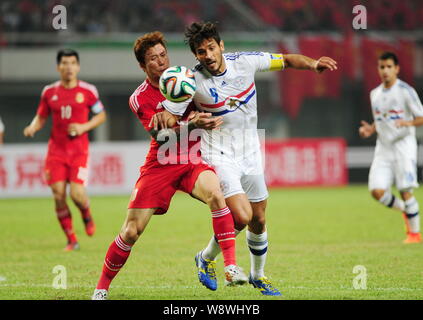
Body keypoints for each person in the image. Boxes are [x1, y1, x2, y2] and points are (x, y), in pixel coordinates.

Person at [153, 21, 337, 296]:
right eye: (202, 52)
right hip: (220, 154)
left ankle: (258, 276)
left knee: (259, 220)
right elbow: (167, 117)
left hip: (251, 150)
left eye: (212, 48)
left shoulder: (246, 62)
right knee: (240, 216)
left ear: (221, 46)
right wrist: (175, 118)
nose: (209, 56)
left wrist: (312, 65)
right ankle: (205, 257)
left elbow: (286, 60)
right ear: (196, 56)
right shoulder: (191, 81)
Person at [91, 31, 246, 300]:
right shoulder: (139, 98)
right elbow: (160, 137)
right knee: (130, 231)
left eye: (163, 55)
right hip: (161, 163)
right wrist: (193, 123)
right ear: (142, 65)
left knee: (216, 194)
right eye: (153, 58)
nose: (161, 62)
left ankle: (230, 266)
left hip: (193, 159)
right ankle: (101, 289)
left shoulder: (187, 77)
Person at [23, 49, 106, 251]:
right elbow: (41, 116)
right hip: (56, 151)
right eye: (64, 63)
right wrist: (33, 126)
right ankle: (71, 240)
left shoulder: (88, 91)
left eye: (72, 63)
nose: (68, 67)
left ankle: (86, 213)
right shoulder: (49, 92)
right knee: (58, 194)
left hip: (79, 152)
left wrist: (82, 127)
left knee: (77, 195)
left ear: (77, 66)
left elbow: (101, 116)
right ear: (58, 67)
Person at [359, 52, 423, 244]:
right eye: (382, 67)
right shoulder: (375, 94)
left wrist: (407, 123)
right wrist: (370, 129)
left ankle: (414, 234)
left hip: (404, 145)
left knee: (405, 188)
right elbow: (382, 120)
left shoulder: (406, 91)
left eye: (389, 67)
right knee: (376, 191)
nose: (385, 71)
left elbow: (421, 116)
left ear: (397, 69)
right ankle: (407, 210)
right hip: (384, 147)